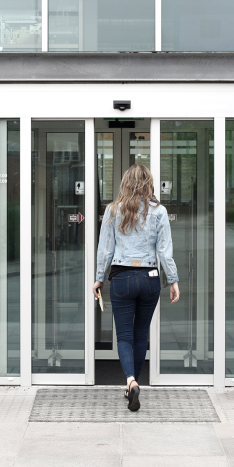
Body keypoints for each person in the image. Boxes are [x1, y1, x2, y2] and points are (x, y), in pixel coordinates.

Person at [92, 164, 180, 412]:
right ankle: (133, 384)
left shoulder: (112, 210)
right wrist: (173, 280)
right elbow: (164, 251)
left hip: (121, 278)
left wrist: (99, 278)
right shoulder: (159, 212)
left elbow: (105, 250)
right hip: (150, 278)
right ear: (148, 184)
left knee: (124, 336)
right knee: (141, 334)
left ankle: (130, 382)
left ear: (125, 183)